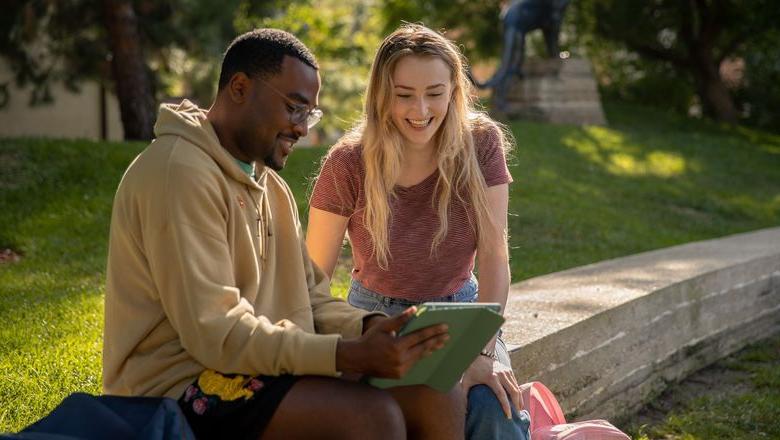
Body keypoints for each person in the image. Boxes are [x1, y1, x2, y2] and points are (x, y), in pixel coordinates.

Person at [103, 28, 465, 440]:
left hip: (260, 366)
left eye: (309, 114)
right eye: (294, 108)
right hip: (175, 389)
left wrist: (371, 329)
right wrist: (344, 355)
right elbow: (215, 333)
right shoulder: (178, 174)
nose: (302, 128)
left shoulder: (268, 185)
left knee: (435, 390)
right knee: (369, 417)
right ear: (239, 87)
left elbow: (308, 297)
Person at [306, 24, 531, 440]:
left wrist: (481, 352)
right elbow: (312, 279)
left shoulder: (481, 144)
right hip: (375, 318)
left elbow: (496, 257)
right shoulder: (348, 162)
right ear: (381, 94)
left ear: (454, 91)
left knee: (495, 410)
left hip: (463, 316)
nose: (420, 109)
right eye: (404, 94)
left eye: (435, 93)